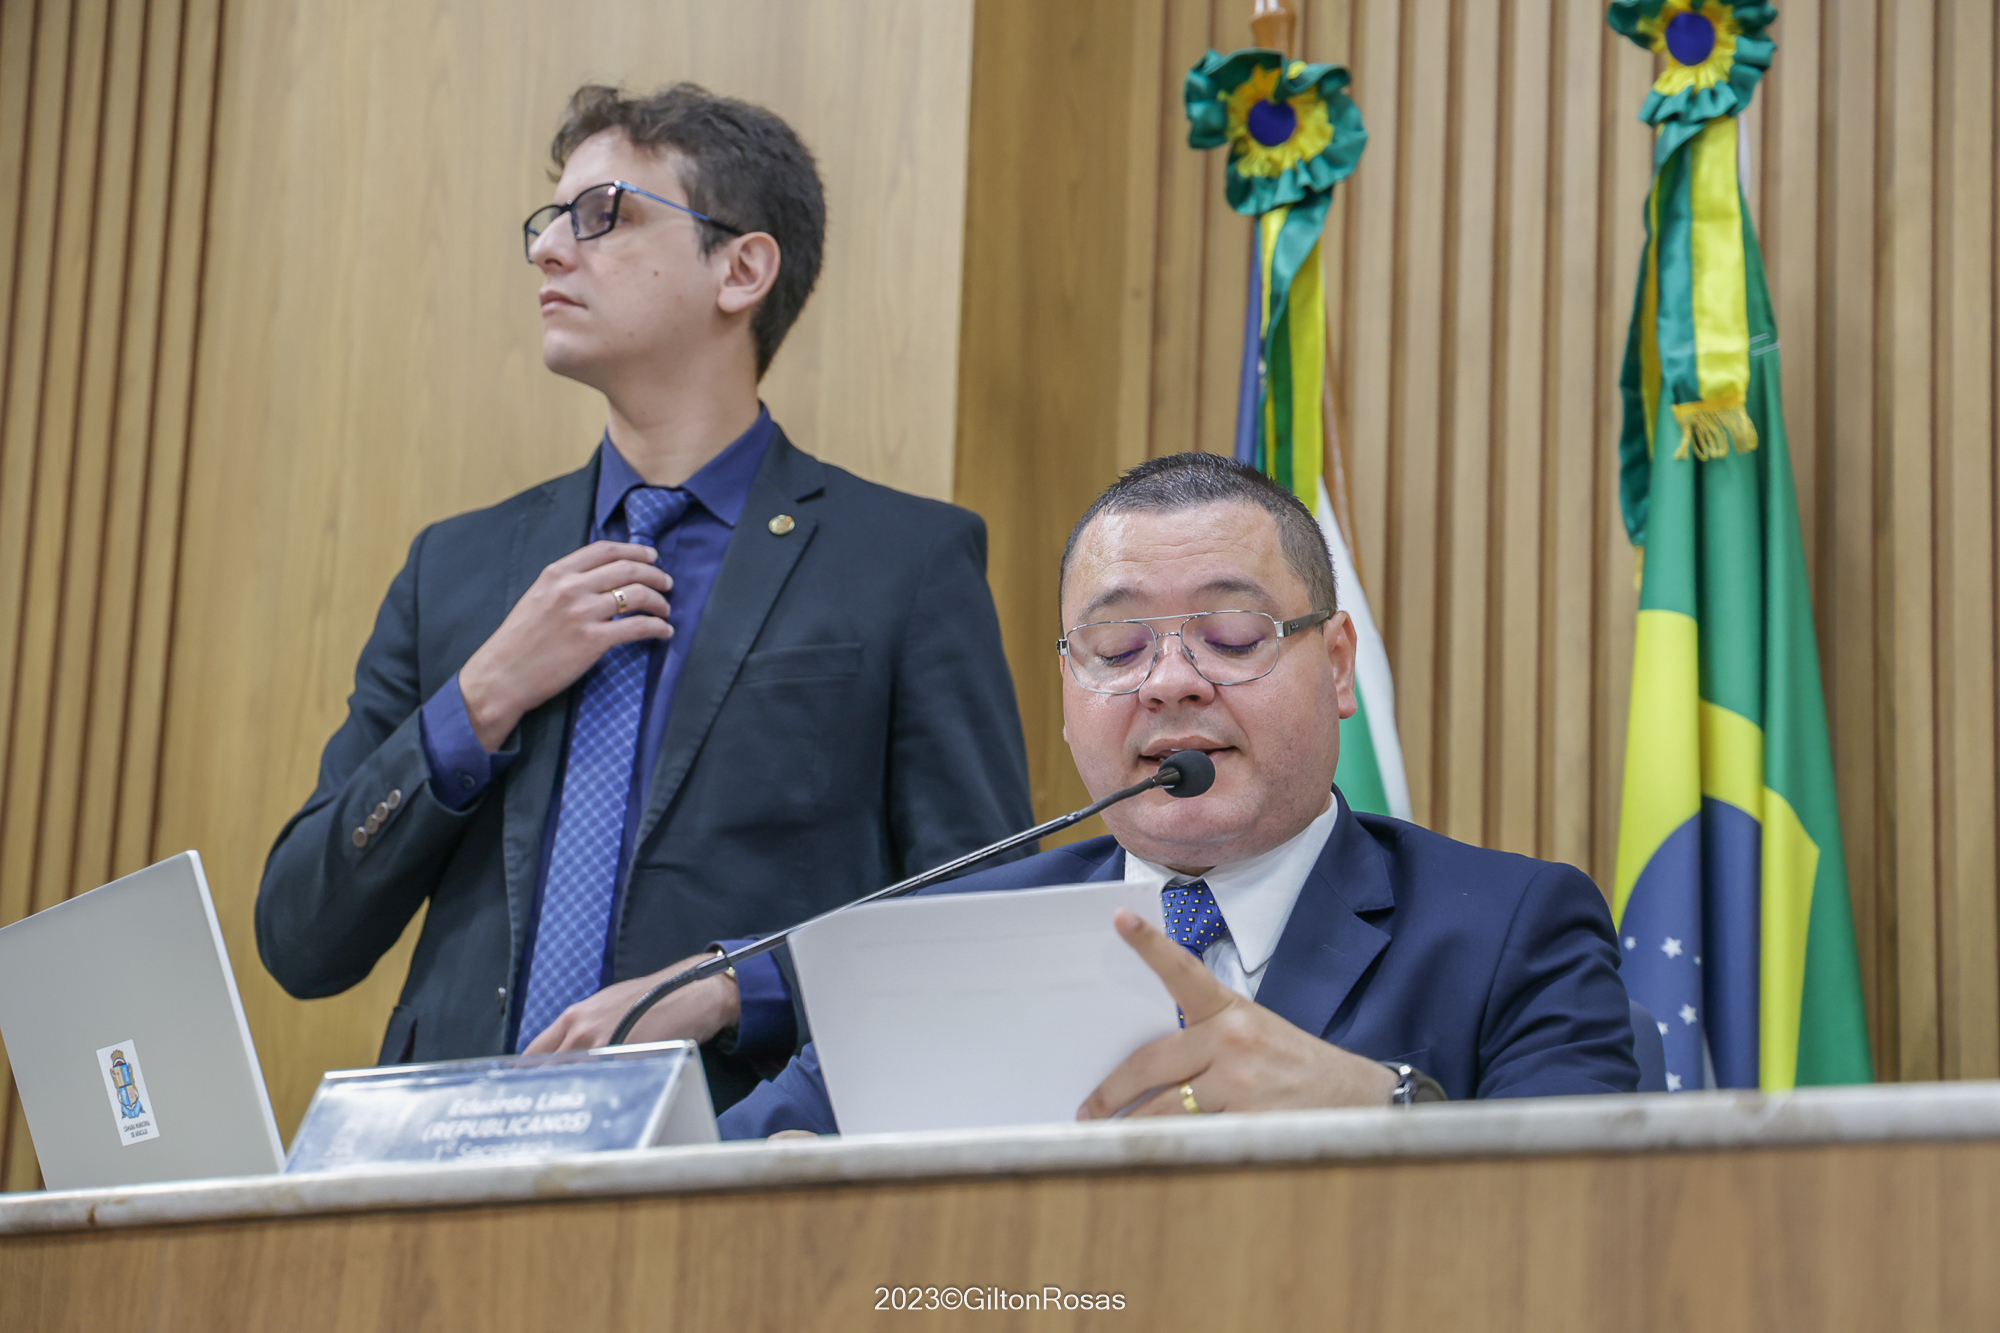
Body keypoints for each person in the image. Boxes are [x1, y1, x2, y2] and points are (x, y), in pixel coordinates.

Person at [255, 84, 1032, 1111]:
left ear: (741, 269)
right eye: (549, 219)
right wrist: (480, 697)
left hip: (737, 1149)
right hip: (449, 1162)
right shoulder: (455, 569)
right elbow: (300, 937)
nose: (548, 249)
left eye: (602, 215)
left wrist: (737, 985)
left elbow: (980, 922)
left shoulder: (903, 561)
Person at [653, 451, 1640, 1136]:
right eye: (1119, 647)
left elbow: (1589, 1230)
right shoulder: (950, 939)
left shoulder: (1512, 928)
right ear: (1067, 690)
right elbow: (707, 1186)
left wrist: (1384, 1110)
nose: (1169, 682)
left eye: (1232, 636)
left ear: (1337, 664)